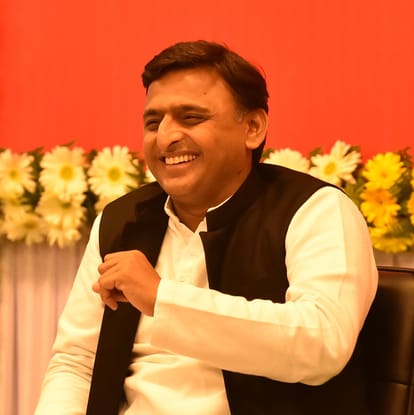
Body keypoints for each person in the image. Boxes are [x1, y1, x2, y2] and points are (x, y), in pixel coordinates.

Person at [35, 40, 378, 415]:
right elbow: (76, 363)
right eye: (153, 122)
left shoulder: (315, 210)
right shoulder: (121, 221)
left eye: (191, 118)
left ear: (252, 128)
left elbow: (322, 344)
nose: (165, 137)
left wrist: (162, 298)